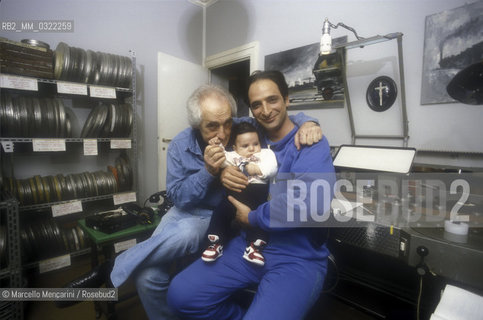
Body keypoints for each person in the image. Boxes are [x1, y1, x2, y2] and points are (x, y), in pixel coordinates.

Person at [108, 83, 324, 320]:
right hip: (187, 209)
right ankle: (122, 267)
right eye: (212, 126)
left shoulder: (242, 127)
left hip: (224, 212)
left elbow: (274, 116)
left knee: (166, 255)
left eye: (227, 123)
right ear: (196, 126)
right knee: (162, 261)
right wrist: (209, 172)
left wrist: (309, 122)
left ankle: (115, 267)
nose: (222, 134)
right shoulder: (180, 145)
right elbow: (178, 198)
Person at [167, 71, 336, 320]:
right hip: (246, 246)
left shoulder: (309, 142)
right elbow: (214, 135)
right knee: (179, 297)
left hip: (297, 256)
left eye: (273, 100)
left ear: (287, 99)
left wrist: (255, 217)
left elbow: (313, 203)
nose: (265, 110)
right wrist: (220, 173)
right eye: (256, 104)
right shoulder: (249, 134)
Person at [201, 121, 277, 266]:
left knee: (260, 217)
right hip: (234, 196)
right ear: (235, 148)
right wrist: (215, 145)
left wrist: (259, 169)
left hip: (257, 197)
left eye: (255, 144)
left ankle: (255, 247)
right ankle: (216, 243)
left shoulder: (265, 153)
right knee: (220, 211)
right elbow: (220, 158)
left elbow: (272, 167)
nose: (252, 149)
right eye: (245, 146)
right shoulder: (232, 156)